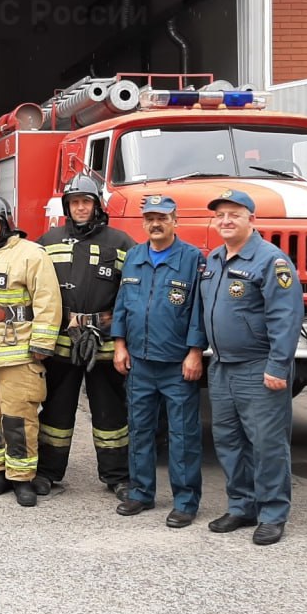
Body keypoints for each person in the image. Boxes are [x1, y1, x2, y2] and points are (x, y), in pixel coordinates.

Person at [198, 189, 304, 546]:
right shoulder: (214, 259)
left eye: (234, 214)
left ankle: (273, 513)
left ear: (252, 220)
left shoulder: (271, 261)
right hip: (223, 366)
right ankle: (242, 506)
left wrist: (278, 366)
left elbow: (285, 318)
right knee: (228, 441)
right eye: (220, 215)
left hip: (259, 368)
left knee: (267, 444)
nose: (226, 221)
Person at [35, 174, 137, 500]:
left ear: (97, 205)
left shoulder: (121, 243)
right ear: (67, 206)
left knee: (111, 413)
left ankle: (118, 476)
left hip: (104, 342)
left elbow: (129, 296)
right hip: (61, 341)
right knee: (55, 411)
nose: (80, 207)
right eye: (75, 202)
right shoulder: (46, 242)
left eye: (86, 201)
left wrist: (123, 340)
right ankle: (49, 473)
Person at [0, 193, 62, 507]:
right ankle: (0, 471)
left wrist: (42, 343)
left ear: (6, 223)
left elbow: (47, 301)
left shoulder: (31, 254)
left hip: (19, 354)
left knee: (19, 418)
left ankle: (22, 478)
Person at [110, 194, 206, 527]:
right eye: (150, 218)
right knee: (139, 430)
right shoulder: (135, 256)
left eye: (162, 217)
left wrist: (195, 351)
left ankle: (185, 501)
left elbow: (198, 309)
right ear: (143, 222)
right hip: (139, 361)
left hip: (177, 363)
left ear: (175, 221)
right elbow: (122, 303)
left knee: (182, 434)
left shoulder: (192, 258)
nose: (156, 223)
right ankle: (140, 493)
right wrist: (119, 345)